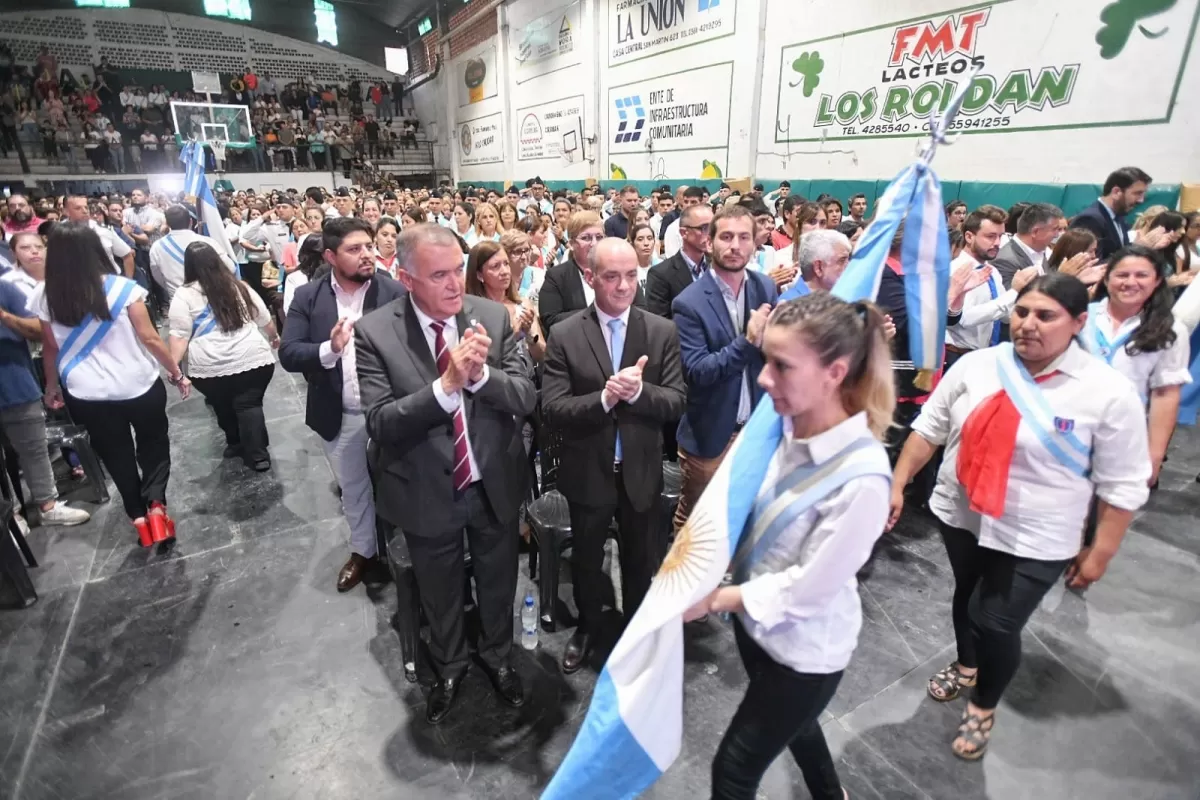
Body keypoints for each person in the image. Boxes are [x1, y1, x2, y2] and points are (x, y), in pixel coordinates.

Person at [888, 272, 1150, 760]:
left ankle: (983, 705)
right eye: (1022, 312)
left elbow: (1123, 484)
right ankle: (967, 666)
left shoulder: (1106, 392)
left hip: (1039, 531)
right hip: (964, 513)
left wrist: (1101, 551)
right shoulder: (978, 367)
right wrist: (898, 483)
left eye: (1046, 316)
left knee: (995, 620)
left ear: (1078, 322)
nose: (1028, 324)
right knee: (968, 594)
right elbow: (929, 430)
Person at [684, 292, 894, 800]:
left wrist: (711, 599)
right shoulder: (782, 427)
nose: (763, 378)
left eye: (781, 366)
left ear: (834, 373)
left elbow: (806, 592)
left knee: (734, 770)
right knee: (798, 728)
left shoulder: (861, 478)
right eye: (766, 361)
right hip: (758, 627)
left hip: (804, 652)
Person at [355, 223, 537, 724]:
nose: (456, 283)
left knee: (498, 580)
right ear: (406, 278)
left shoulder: (491, 316)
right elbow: (380, 422)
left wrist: (480, 377)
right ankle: (450, 665)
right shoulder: (375, 332)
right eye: (439, 275)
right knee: (439, 589)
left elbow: (525, 395)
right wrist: (445, 386)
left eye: (458, 269)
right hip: (425, 488)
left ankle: (498, 657)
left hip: (492, 482)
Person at [541, 238, 686, 672]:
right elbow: (553, 408)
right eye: (611, 277)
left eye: (630, 276)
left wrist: (639, 393)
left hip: (641, 470)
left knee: (642, 559)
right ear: (590, 277)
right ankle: (588, 626)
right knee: (587, 560)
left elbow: (677, 400)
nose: (623, 286)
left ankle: (636, 631)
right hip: (589, 470)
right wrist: (603, 399)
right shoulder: (566, 333)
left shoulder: (660, 330)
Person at [34, 224, 189, 546]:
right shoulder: (124, 289)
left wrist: (51, 387)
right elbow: (149, 338)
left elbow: (50, 347)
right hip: (138, 384)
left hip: (86, 392)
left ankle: (138, 517)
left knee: (115, 453)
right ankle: (156, 505)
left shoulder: (45, 296)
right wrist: (175, 371)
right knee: (153, 443)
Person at [279, 217, 406, 592]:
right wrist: (329, 349)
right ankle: (364, 552)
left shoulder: (393, 291)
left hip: (392, 410)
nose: (367, 254)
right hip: (341, 412)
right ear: (331, 256)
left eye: (369, 246)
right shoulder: (309, 297)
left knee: (402, 482)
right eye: (355, 249)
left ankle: (406, 548)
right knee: (353, 488)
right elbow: (289, 353)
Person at [672, 206, 779, 534]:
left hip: (756, 432)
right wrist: (748, 340)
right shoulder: (689, 302)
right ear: (710, 242)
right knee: (697, 526)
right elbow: (698, 371)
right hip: (712, 437)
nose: (735, 245)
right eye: (727, 237)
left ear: (754, 243)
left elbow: (774, 357)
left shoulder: (765, 288)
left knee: (746, 522)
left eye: (744, 237)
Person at [1079, 244, 1191, 486]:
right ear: (1106, 279)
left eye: (1141, 275)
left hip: (1124, 441)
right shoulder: (1080, 317)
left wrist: (1154, 456)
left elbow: (1165, 394)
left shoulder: (1171, 330)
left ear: (1157, 281)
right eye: (1122, 275)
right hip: (1068, 434)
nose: (1131, 282)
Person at [167, 242, 279, 472]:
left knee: (222, 405)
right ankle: (258, 455)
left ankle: (235, 442)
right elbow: (263, 316)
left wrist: (174, 366)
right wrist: (274, 336)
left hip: (209, 368)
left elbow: (179, 334)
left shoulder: (183, 295)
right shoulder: (239, 286)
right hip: (252, 359)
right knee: (249, 404)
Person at [0, 269, 91, 528]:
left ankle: (48, 506)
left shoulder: (5, 288)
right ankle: (9, 518)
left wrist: (4, 316)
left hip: (16, 384)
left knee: (35, 449)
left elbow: (39, 329)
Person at [943, 206, 1039, 368]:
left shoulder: (992, 271)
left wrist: (1024, 295)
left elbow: (1004, 316)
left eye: (1000, 236)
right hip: (956, 355)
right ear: (969, 237)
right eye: (990, 236)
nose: (997, 243)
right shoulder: (957, 270)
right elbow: (964, 319)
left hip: (981, 355)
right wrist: (1013, 292)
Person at [466, 241, 546, 364]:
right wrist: (511, 336)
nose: (505, 271)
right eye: (495, 266)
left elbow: (542, 357)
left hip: (527, 373)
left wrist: (530, 335)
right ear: (479, 275)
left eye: (506, 264)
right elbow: (480, 362)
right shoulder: (473, 313)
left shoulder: (523, 305)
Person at [540, 211, 616, 334]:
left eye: (599, 237)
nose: (594, 243)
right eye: (586, 238)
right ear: (571, 244)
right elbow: (550, 320)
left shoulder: (618, 271)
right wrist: (595, 314)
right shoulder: (557, 276)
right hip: (577, 341)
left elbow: (639, 309)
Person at [150, 205, 235, 302]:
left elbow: (158, 276)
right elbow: (230, 267)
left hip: (179, 300)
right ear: (190, 221)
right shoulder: (207, 242)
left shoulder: (157, 247)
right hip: (211, 299)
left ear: (168, 224)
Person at [645, 202, 714, 319]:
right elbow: (660, 322)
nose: (710, 235)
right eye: (704, 228)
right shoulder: (661, 274)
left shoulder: (718, 267)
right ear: (684, 232)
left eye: (713, 228)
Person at [1070, 167, 1152, 261]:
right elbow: (1090, 264)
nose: (1141, 200)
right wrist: (1135, 251)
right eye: (1138, 193)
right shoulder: (1089, 219)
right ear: (1116, 192)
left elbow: (1121, 250)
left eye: (1143, 194)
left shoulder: (1119, 218)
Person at [990, 203, 1063, 288]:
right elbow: (1011, 295)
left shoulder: (1041, 251)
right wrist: (1061, 277)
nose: (1057, 235)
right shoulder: (1005, 261)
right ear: (1035, 232)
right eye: (1054, 229)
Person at [63, 195, 134, 277]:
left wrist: (128, 281)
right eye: (78, 208)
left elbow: (127, 255)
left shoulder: (103, 230)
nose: (85, 211)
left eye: (86, 207)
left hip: (109, 279)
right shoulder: (59, 233)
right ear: (66, 211)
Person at [662, 186, 705, 257]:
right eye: (686, 202)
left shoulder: (709, 225)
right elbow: (672, 257)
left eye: (693, 202)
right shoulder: (673, 228)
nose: (688, 205)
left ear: (701, 204)